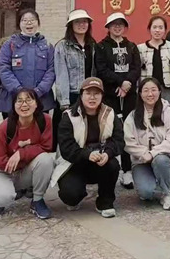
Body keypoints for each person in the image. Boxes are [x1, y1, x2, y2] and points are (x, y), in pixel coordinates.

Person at [52, 77, 124, 218]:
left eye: (96, 93)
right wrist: (87, 154)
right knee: (71, 197)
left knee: (113, 164)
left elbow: (118, 140)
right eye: (88, 93)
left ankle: (105, 201)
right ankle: (78, 193)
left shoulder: (110, 114)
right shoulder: (69, 116)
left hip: (100, 162)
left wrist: (108, 153)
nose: (92, 97)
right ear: (81, 95)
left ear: (102, 96)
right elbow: (67, 148)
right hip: (74, 164)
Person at [0, 90, 55, 218]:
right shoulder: (6, 126)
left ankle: (37, 200)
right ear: (14, 105)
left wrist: (21, 154)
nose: (24, 104)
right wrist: (17, 158)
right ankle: (0, 199)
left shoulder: (45, 121)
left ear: (36, 104)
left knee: (46, 159)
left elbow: (46, 147)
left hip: (24, 170)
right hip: (2, 170)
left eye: (28, 100)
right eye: (19, 101)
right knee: (3, 198)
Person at [94, 12, 141, 189]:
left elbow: (136, 68)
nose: (117, 27)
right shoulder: (101, 47)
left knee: (128, 130)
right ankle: (110, 167)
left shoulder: (131, 46)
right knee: (110, 131)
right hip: (110, 95)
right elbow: (101, 69)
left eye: (121, 24)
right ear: (108, 27)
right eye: (114, 24)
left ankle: (127, 169)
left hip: (129, 95)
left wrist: (127, 84)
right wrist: (120, 82)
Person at [123, 77, 170, 211]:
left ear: (160, 92)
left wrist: (152, 153)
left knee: (160, 160)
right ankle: (151, 182)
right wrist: (144, 154)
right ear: (140, 94)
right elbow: (128, 142)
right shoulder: (133, 116)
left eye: (154, 90)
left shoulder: (166, 111)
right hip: (141, 161)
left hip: (163, 158)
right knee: (146, 193)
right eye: (146, 91)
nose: (150, 94)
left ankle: (166, 193)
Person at [0, 9, 56, 115]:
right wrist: (19, 91)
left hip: (41, 100)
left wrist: (38, 91)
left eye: (32, 20)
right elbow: (4, 68)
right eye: (24, 20)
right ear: (19, 24)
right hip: (13, 100)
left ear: (38, 23)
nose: (29, 23)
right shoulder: (10, 45)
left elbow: (51, 70)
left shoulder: (47, 46)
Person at [54, 9, 96, 110]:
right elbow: (61, 74)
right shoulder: (62, 46)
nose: (81, 24)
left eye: (84, 21)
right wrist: (64, 101)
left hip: (89, 95)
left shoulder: (93, 45)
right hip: (71, 96)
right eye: (77, 22)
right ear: (71, 25)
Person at [137, 16, 170, 105]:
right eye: (154, 27)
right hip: (148, 89)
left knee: (167, 110)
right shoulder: (140, 48)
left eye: (160, 27)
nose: (157, 30)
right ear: (149, 29)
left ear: (165, 30)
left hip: (167, 88)